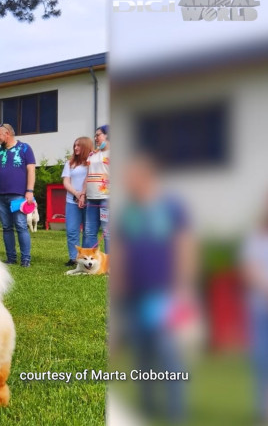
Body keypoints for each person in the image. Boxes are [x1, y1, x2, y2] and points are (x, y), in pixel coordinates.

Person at [111, 154, 196, 422]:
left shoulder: (171, 207)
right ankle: (147, 408)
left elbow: (185, 246)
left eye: (132, 179)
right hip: (132, 298)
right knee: (141, 356)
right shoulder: (128, 213)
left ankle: (176, 411)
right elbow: (121, 252)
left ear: (147, 178)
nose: (128, 184)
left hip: (164, 295)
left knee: (168, 353)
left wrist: (183, 287)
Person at [0, 124, 36, 267]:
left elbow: (31, 170)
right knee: (6, 227)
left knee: (21, 225)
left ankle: (25, 259)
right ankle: (11, 258)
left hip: (18, 196)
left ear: (7, 134)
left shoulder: (25, 148)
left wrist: (29, 191)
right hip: (0, 196)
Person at [241, 191, 268, 423]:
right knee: (262, 361)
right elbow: (249, 270)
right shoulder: (256, 238)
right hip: (261, 309)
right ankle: (264, 410)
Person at [61, 136, 94, 266]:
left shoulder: (91, 162)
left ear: (86, 147)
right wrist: (76, 194)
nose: (76, 148)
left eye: (79, 145)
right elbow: (66, 181)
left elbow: (89, 178)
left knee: (88, 231)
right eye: (74, 145)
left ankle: (86, 258)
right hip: (71, 201)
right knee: (72, 230)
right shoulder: (69, 164)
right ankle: (73, 258)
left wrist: (83, 195)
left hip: (89, 201)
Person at [81, 125, 110, 253]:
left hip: (107, 198)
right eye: (95, 135)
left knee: (108, 232)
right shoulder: (92, 155)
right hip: (91, 198)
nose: (95, 138)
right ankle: (91, 262)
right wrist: (82, 194)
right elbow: (87, 176)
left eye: (98, 135)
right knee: (89, 231)